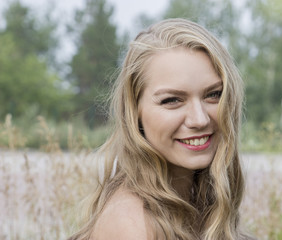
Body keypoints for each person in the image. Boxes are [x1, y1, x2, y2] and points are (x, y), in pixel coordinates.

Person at [69, 18, 251, 240]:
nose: (200, 119)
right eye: (172, 100)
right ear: (135, 110)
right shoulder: (134, 225)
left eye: (213, 95)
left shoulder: (198, 200)